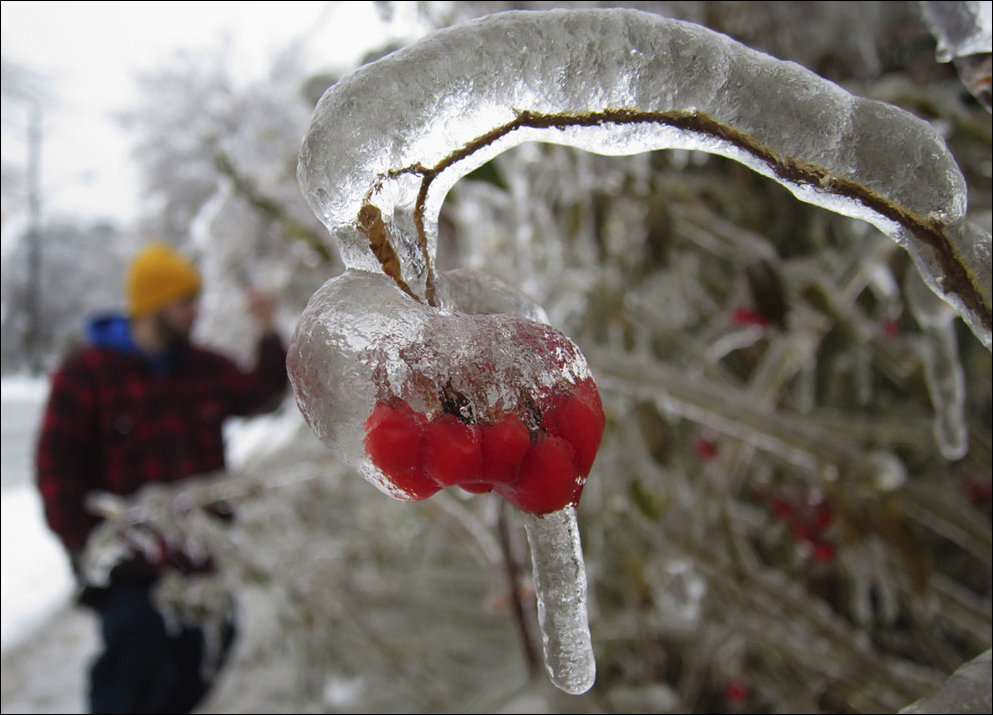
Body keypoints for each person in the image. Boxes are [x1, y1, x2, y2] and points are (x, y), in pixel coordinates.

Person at [34, 241, 289, 714]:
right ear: (153, 307)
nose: (197, 311)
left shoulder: (204, 368)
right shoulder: (86, 374)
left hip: (199, 558)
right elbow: (56, 467)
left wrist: (267, 329)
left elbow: (263, 396)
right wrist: (86, 546)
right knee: (132, 666)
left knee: (211, 646)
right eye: (185, 301)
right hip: (130, 568)